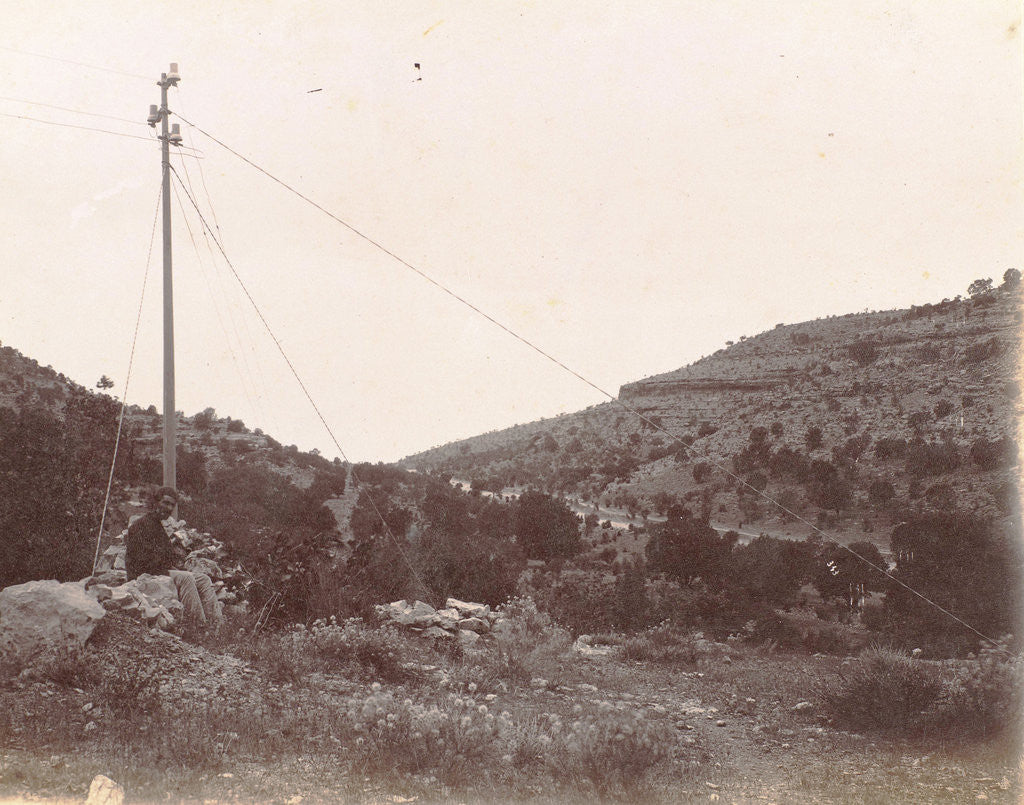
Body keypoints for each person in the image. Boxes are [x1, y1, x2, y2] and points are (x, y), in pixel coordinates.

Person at [125, 486, 221, 626]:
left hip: (158, 571)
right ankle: (198, 625)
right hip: (143, 576)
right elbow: (143, 561)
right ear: (156, 502)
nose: (168, 508)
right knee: (186, 578)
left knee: (203, 579)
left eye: (172, 505)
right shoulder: (140, 526)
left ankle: (217, 624)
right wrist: (168, 563)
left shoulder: (158, 526)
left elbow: (165, 556)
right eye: (165, 503)